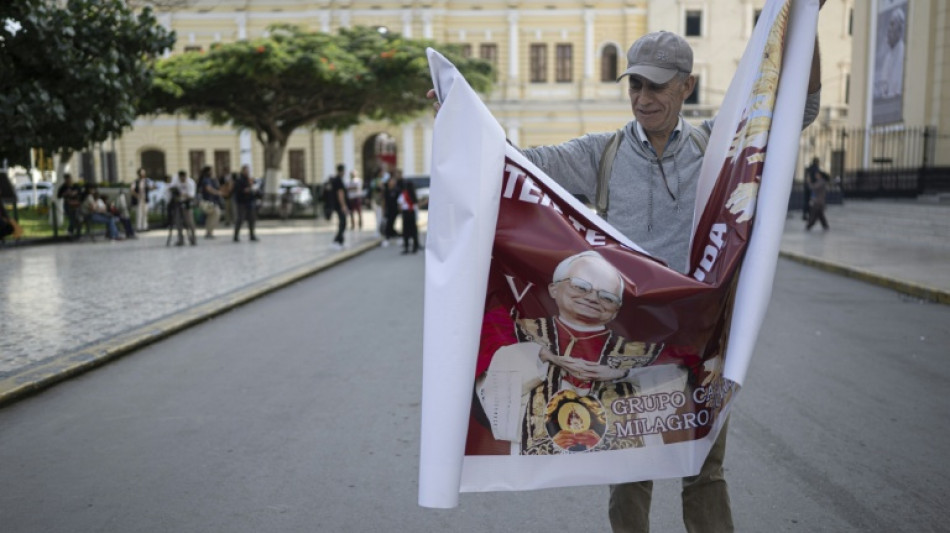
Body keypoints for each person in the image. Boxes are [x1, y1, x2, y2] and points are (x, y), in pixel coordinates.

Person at [429, 15, 824, 531]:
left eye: (657, 85)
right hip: (627, 344)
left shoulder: (715, 148)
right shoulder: (602, 153)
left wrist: (807, 19)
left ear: (687, 86)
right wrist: (457, 120)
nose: (643, 97)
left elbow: (801, 106)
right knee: (630, 469)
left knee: (704, 471)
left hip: (698, 339)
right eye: (635, 84)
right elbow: (512, 163)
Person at [475, 251, 679, 456]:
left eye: (607, 297)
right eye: (581, 286)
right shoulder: (519, 330)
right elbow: (488, 379)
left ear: (616, 310)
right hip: (535, 458)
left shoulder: (641, 352)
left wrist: (623, 373)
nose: (592, 298)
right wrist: (541, 355)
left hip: (615, 453)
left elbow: (677, 380)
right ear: (553, 289)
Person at [875, 7, 905, 99]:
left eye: (892, 24)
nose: (888, 29)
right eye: (889, 24)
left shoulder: (903, 54)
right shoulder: (888, 57)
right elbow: (883, 88)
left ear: (899, 30)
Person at [167, 170, 197, 246]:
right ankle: (180, 240)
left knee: (190, 222)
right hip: (177, 204)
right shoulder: (175, 180)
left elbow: (191, 196)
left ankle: (193, 239)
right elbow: (170, 188)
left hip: (187, 204)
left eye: (184, 178)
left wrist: (183, 195)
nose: (182, 180)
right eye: (181, 178)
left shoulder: (190, 183)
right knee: (178, 222)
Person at [394, 170, 419, 254]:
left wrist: (400, 211)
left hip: (405, 213)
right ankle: (415, 246)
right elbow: (416, 204)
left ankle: (406, 247)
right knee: (413, 230)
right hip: (412, 213)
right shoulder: (413, 194)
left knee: (406, 231)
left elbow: (400, 204)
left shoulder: (403, 194)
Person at [232, 165, 259, 242]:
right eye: (246, 170)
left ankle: (252, 235)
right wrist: (248, 189)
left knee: (252, 219)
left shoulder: (249, 179)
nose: (247, 172)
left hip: (250, 201)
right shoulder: (239, 180)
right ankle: (236, 236)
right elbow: (239, 190)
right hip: (241, 202)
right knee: (240, 219)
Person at [805, 157, 831, 231]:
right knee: (820, 215)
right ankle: (824, 225)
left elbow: (813, 187)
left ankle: (809, 225)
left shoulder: (821, 182)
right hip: (819, 201)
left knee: (814, 214)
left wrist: (809, 182)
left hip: (818, 201)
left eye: (817, 174)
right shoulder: (820, 181)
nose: (816, 175)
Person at [197, 165, 223, 238]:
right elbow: (209, 189)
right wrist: (217, 193)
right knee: (216, 214)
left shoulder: (209, 179)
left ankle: (209, 232)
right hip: (209, 201)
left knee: (210, 217)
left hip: (210, 201)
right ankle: (209, 232)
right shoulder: (206, 180)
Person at [327, 164, 349, 249]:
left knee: (342, 223)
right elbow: (340, 194)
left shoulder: (335, 180)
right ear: (342, 171)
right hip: (339, 205)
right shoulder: (338, 180)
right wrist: (343, 206)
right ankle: (337, 241)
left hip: (336, 205)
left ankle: (340, 241)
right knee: (343, 223)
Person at [57, 173, 83, 239]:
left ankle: (76, 233)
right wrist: (65, 194)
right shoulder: (63, 187)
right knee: (72, 219)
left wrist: (75, 192)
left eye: (69, 179)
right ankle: (70, 233)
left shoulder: (76, 186)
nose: (68, 181)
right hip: (68, 205)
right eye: (66, 179)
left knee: (78, 219)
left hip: (76, 204)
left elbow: (81, 193)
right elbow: (59, 196)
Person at [131, 168, 152, 232]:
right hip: (139, 199)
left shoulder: (146, 181)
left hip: (145, 198)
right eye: (142, 173)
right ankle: (139, 227)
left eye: (144, 173)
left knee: (145, 213)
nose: (143, 174)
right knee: (139, 213)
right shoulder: (136, 181)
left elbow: (149, 188)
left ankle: (145, 226)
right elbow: (132, 190)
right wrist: (137, 195)